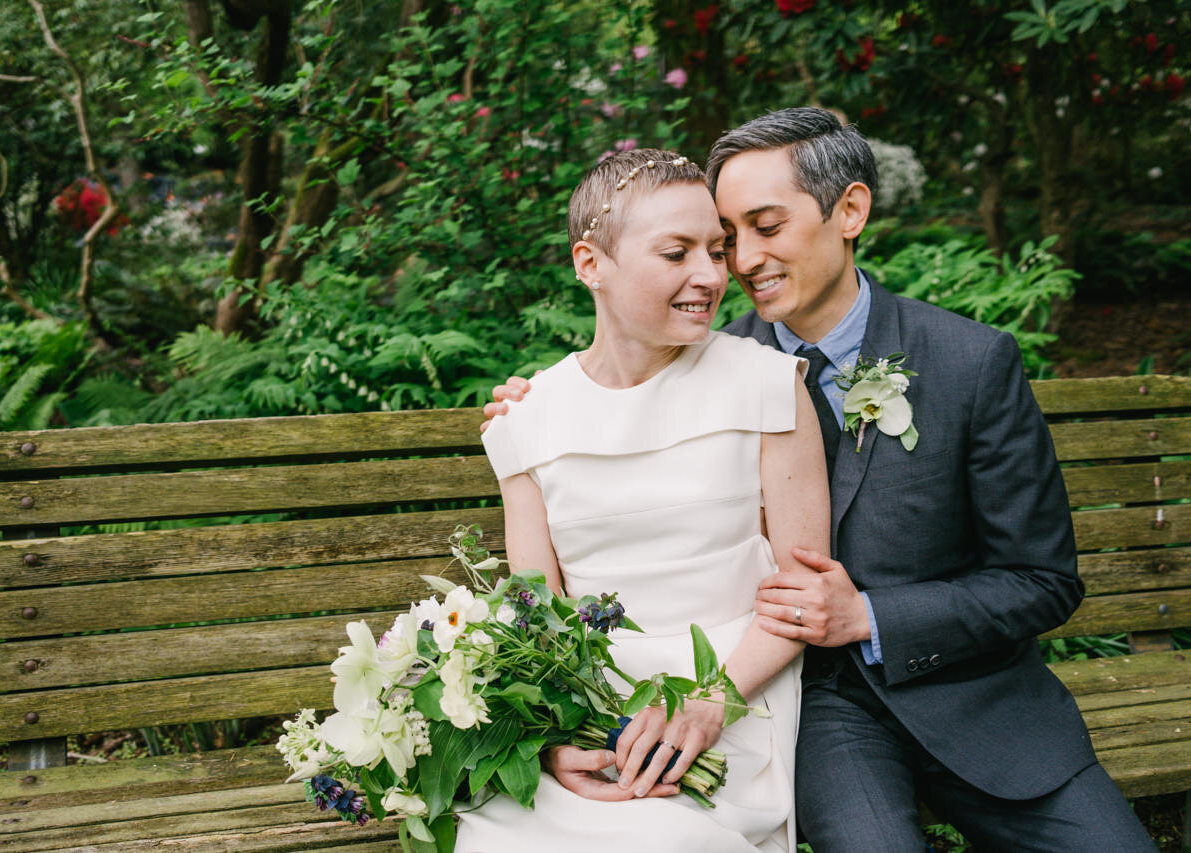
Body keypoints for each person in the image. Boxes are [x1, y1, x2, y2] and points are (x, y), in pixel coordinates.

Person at [487, 107, 1156, 851]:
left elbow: (1043, 579)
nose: (736, 262)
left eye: (763, 228)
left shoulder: (971, 363)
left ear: (850, 210)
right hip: (821, 717)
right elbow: (610, 396)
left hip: (978, 701)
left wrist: (870, 615)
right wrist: (534, 407)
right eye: (727, 234)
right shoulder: (709, 358)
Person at [456, 149, 830, 852]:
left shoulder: (768, 386)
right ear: (591, 263)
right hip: (599, 720)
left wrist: (711, 704)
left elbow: (803, 587)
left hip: (736, 704)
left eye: (716, 251)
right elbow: (536, 615)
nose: (712, 275)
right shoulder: (526, 422)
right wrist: (552, 742)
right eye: (676, 252)